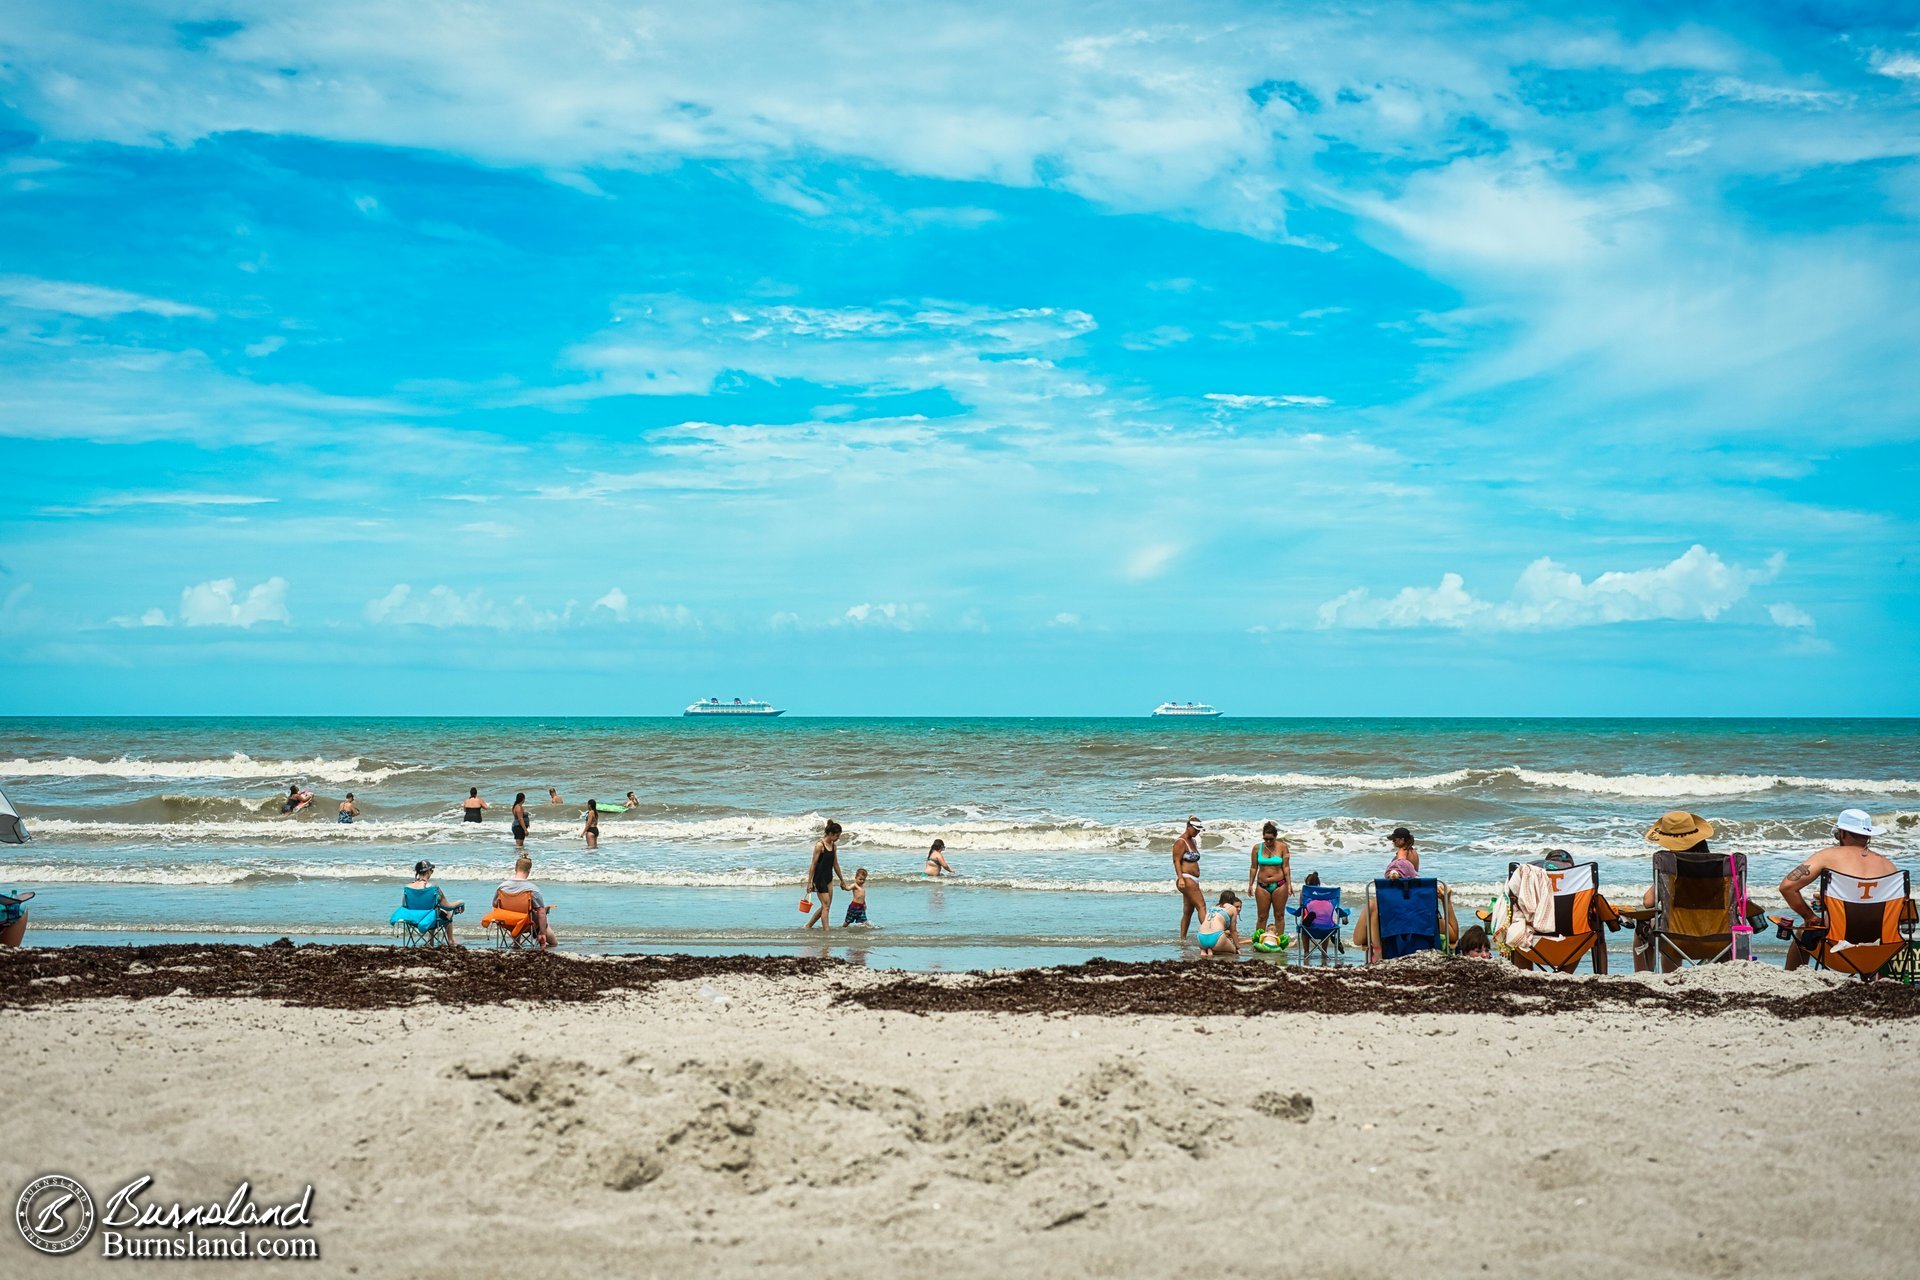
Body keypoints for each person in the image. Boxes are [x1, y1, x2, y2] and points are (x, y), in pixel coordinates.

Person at [1780, 808, 1899, 971]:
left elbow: (1787, 887)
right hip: (1882, 950)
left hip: (1836, 946)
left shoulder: (1828, 856)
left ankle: (1790, 979)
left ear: (1842, 833)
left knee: (1802, 932)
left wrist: (1810, 917)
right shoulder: (1889, 866)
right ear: (1869, 835)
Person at [1350, 861, 1459, 952]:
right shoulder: (1424, 909)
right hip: (1421, 963)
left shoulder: (1374, 907)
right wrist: (1446, 901)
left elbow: (1358, 940)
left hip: (1385, 963)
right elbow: (1453, 936)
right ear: (1413, 884)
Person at [494, 854, 555, 949]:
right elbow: (541, 913)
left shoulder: (502, 887)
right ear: (529, 871)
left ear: (515, 868)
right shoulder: (532, 889)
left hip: (506, 923)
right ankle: (546, 939)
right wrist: (542, 933)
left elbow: (495, 904)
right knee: (540, 913)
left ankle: (516, 943)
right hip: (526, 924)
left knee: (515, 913)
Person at [406, 860, 464, 950]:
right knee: (444, 912)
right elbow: (448, 906)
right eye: (431, 871)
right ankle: (451, 940)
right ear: (428, 871)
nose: (432, 873)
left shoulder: (408, 887)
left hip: (414, 920)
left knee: (433, 910)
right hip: (429, 919)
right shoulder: (433, 888)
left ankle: (430, 940)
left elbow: (404, 905)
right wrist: (461, 902)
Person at [1247, 821, 1291, 935]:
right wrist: (1250, 885)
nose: (1268, 841)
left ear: (1275, 836)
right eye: (1266, 838)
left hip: (1280, 885)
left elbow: (1286, 867)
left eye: (1271, 839)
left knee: (1279, 915)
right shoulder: (1257, 848)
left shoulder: (1283, 847)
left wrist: (1290, 885)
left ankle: (1279, 941)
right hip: (1262, 885)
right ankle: (1259, 941)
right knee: (1262, 916)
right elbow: (1253, 867)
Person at [805, 820, 850, 929]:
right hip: (819, 879)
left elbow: (835, 864)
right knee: (826, 906)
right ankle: (826, 931)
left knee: (826, 906)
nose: (838, 838)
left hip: (828, 878)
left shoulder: (834, 846)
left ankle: (808, 925)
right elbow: (813, 864)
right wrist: (809, 882)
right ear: (830, 834)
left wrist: (842, 880)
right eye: (837, 835)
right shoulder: (820, 846)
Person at [1172, 816, 1207, 939]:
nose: (1197, 832)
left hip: (1193, 879)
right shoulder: (1181, 842)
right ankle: (1209, 932)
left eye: (1199, 830)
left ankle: (1182, 939)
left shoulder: (1193, 841)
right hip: (1186, 878)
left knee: (1188, 911)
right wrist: (1180, 878)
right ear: (1189, 827)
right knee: (1201, 906)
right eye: (1195, 829)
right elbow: (1176, 861)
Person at [1193, 890, 1242, 956]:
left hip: (1201, 938)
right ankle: (1213, 950)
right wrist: (1237, 947)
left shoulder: (1212, 908)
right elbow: (1233, 931)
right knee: (1233, 951)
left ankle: (1205, 950)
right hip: (1216, 937)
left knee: (1216, 945)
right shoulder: (1232, 908)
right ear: (1232, 900)